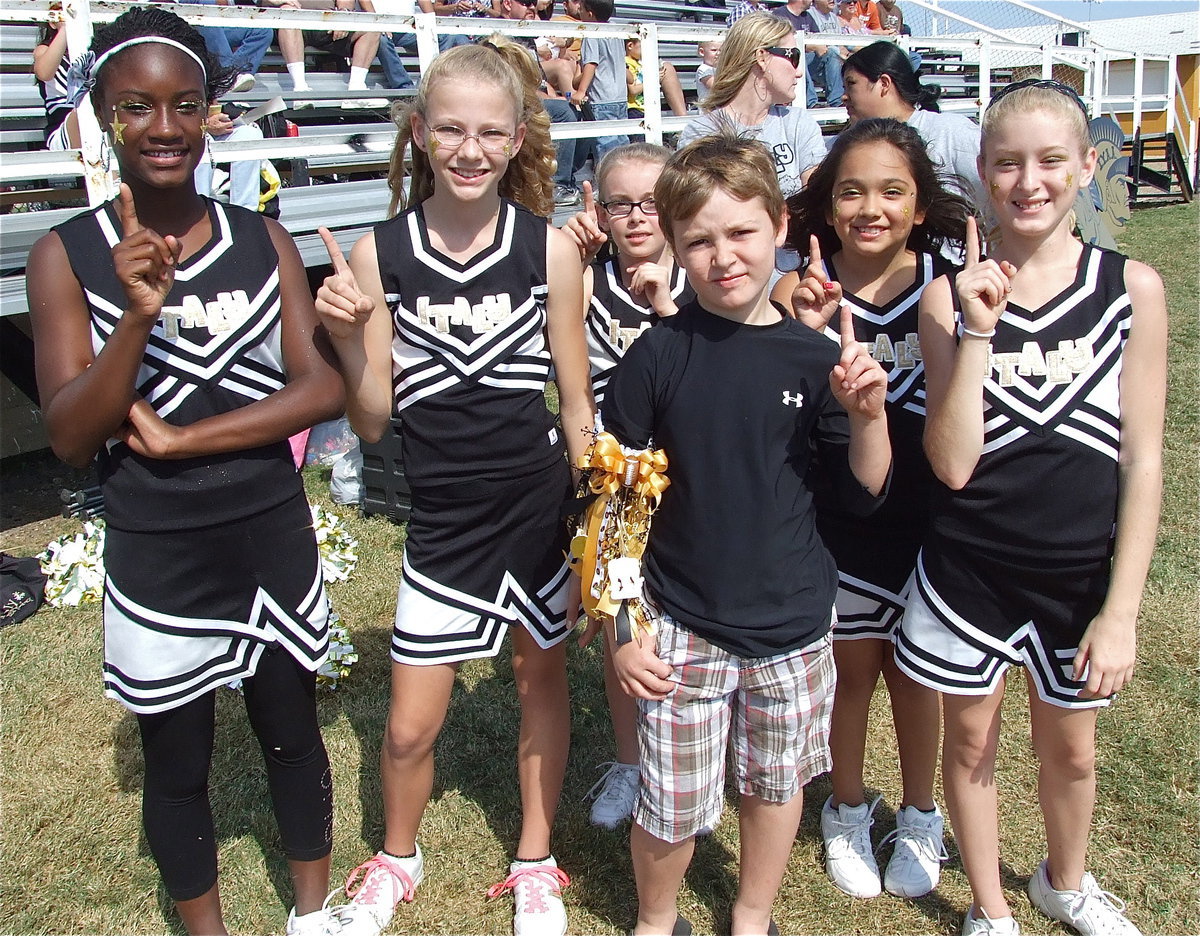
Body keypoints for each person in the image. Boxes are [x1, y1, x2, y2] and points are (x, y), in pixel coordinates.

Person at [25, 8, 345, 936]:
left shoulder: (260, 238)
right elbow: (71, 435)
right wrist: (135, 315)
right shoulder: (65, 255)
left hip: (269, 529)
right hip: (159, 545)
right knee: (177, 767)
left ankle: (312, 915)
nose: (164, 127)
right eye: (137, 106)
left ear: (210, 113)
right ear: (104, 115)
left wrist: (181, 442)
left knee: (293, 736)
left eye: (186, 105)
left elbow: (320, 386)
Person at [313, 41, 594, 936]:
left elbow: (577, 405)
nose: (470, 150)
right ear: (420, 134)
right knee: (406, 728)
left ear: (517, 140)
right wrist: (350, 338)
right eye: (451, 130)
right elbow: (370, 420)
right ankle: (398, 857)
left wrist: (601, 521)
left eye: (490, 133)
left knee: (538, 680)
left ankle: (536, 859)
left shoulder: (550, 250)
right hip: (442, 520)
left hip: (535, 509)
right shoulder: (379, 253)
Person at [601, 131, 891, 936]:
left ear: (781, 228)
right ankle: (656, 919)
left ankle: (752, 915)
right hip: (681, 623)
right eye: (699, 240)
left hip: (793, 623)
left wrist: (869, 418)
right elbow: (613, 504)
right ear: (672, 243)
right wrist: (623, 624)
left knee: (775, 784)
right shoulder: (656, 357)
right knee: (670, 801)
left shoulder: (815, 359)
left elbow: (863, 497)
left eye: (741, 233)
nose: (723, 256)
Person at [901, 79, 1164, 936]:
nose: (1030, 181)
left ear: (1087, 165)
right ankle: (989, 906)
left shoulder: (1132, 288)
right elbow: (951, 463)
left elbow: (1144, 459)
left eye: (1052, 160)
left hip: (1077, 574)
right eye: (1008, 163)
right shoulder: (945, 298)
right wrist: (978, 328)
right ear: (982, 171)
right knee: (971, 743)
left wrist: (1120, 612)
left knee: (1072, 750)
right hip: (970, 571)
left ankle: (1065, 882)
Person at [771, 117, 971, 901]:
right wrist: (799, 325)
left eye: (892, 191)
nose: (871, 208)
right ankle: (847, 807)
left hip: (934, 515)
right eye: (850, 191)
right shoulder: (798, 289)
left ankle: (920, 814)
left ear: (920, 206)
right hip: (841, 514)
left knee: (918, 679)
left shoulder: (950, 287)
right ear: (827, 204)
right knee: (851, 673)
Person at [560, 144, 695, 831]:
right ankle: (628, 760)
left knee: (689, 623)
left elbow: (710, 368)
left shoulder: (703, 276)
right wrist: (571, 259)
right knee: (620, 614)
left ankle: (694, 750)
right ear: (599, 208)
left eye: (653, 202)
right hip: (615, 485)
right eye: (620, 204)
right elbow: (570, 380)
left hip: (692, 480)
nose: (638, 217)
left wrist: (667, 307)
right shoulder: (584, 280)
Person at [678, 13, 826, 199]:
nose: (799, 72)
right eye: (794, 57)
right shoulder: (701, 134)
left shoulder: (798, 123)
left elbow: (815, 201)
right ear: (762, 58)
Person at [841, 42, 984, 209]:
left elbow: (994, 195)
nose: (844, 97)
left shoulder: (950, 132)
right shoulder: (846, 145)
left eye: (851, 84)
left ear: (884, 84)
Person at [271, 0, 383, 106]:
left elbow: (345, 2)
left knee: (372, 28)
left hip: (328, 24)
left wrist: (343, 15)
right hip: (294, 20)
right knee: (288, 13)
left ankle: (356, 91)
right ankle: (300, 90)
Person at [574, 0, 629, 162]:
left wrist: (581, 91)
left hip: (602, 99)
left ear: (590, 14)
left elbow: (591, 63)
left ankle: (607, 176)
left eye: (581, 9)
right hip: (620, 98)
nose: (579, 11)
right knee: (621, 146)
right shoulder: (615, 28)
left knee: (605, 149)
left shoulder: (591, 33)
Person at [191, 0, 272, 91]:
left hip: (223, 22)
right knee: (207, 4)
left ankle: (236, 76)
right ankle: (227, 75)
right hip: (194, 21)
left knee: (263, 31)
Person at [33, 16, 77, 149]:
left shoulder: (92, 50)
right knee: (82, 113)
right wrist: (64, 29)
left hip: (96, 124)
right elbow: (44, 73)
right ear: (52, 22)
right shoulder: (43, 50)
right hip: (61, 128)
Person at [793, 0, 847, 108]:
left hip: (820, 58)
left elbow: (818, 39)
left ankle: (837, 100)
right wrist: (814, 46)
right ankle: (811, 102)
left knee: (832, 54)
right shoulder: (809, 14)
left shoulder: (809, 16)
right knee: (801, 58)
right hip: (798, 58)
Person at [624, 38, 688, 120]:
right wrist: (654, 80)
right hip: (635, 110)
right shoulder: (628, 63)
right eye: (645, 46)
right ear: (630, 46)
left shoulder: (638, 63)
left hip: (644, 108)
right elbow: (633, 90)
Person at [694, 38, 722, 107]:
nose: (718, 53)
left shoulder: (720, 69)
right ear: (702, 52)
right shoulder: (703, 69)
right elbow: (714, 85)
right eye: (714, 50)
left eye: (721, 50)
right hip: (708, 109)